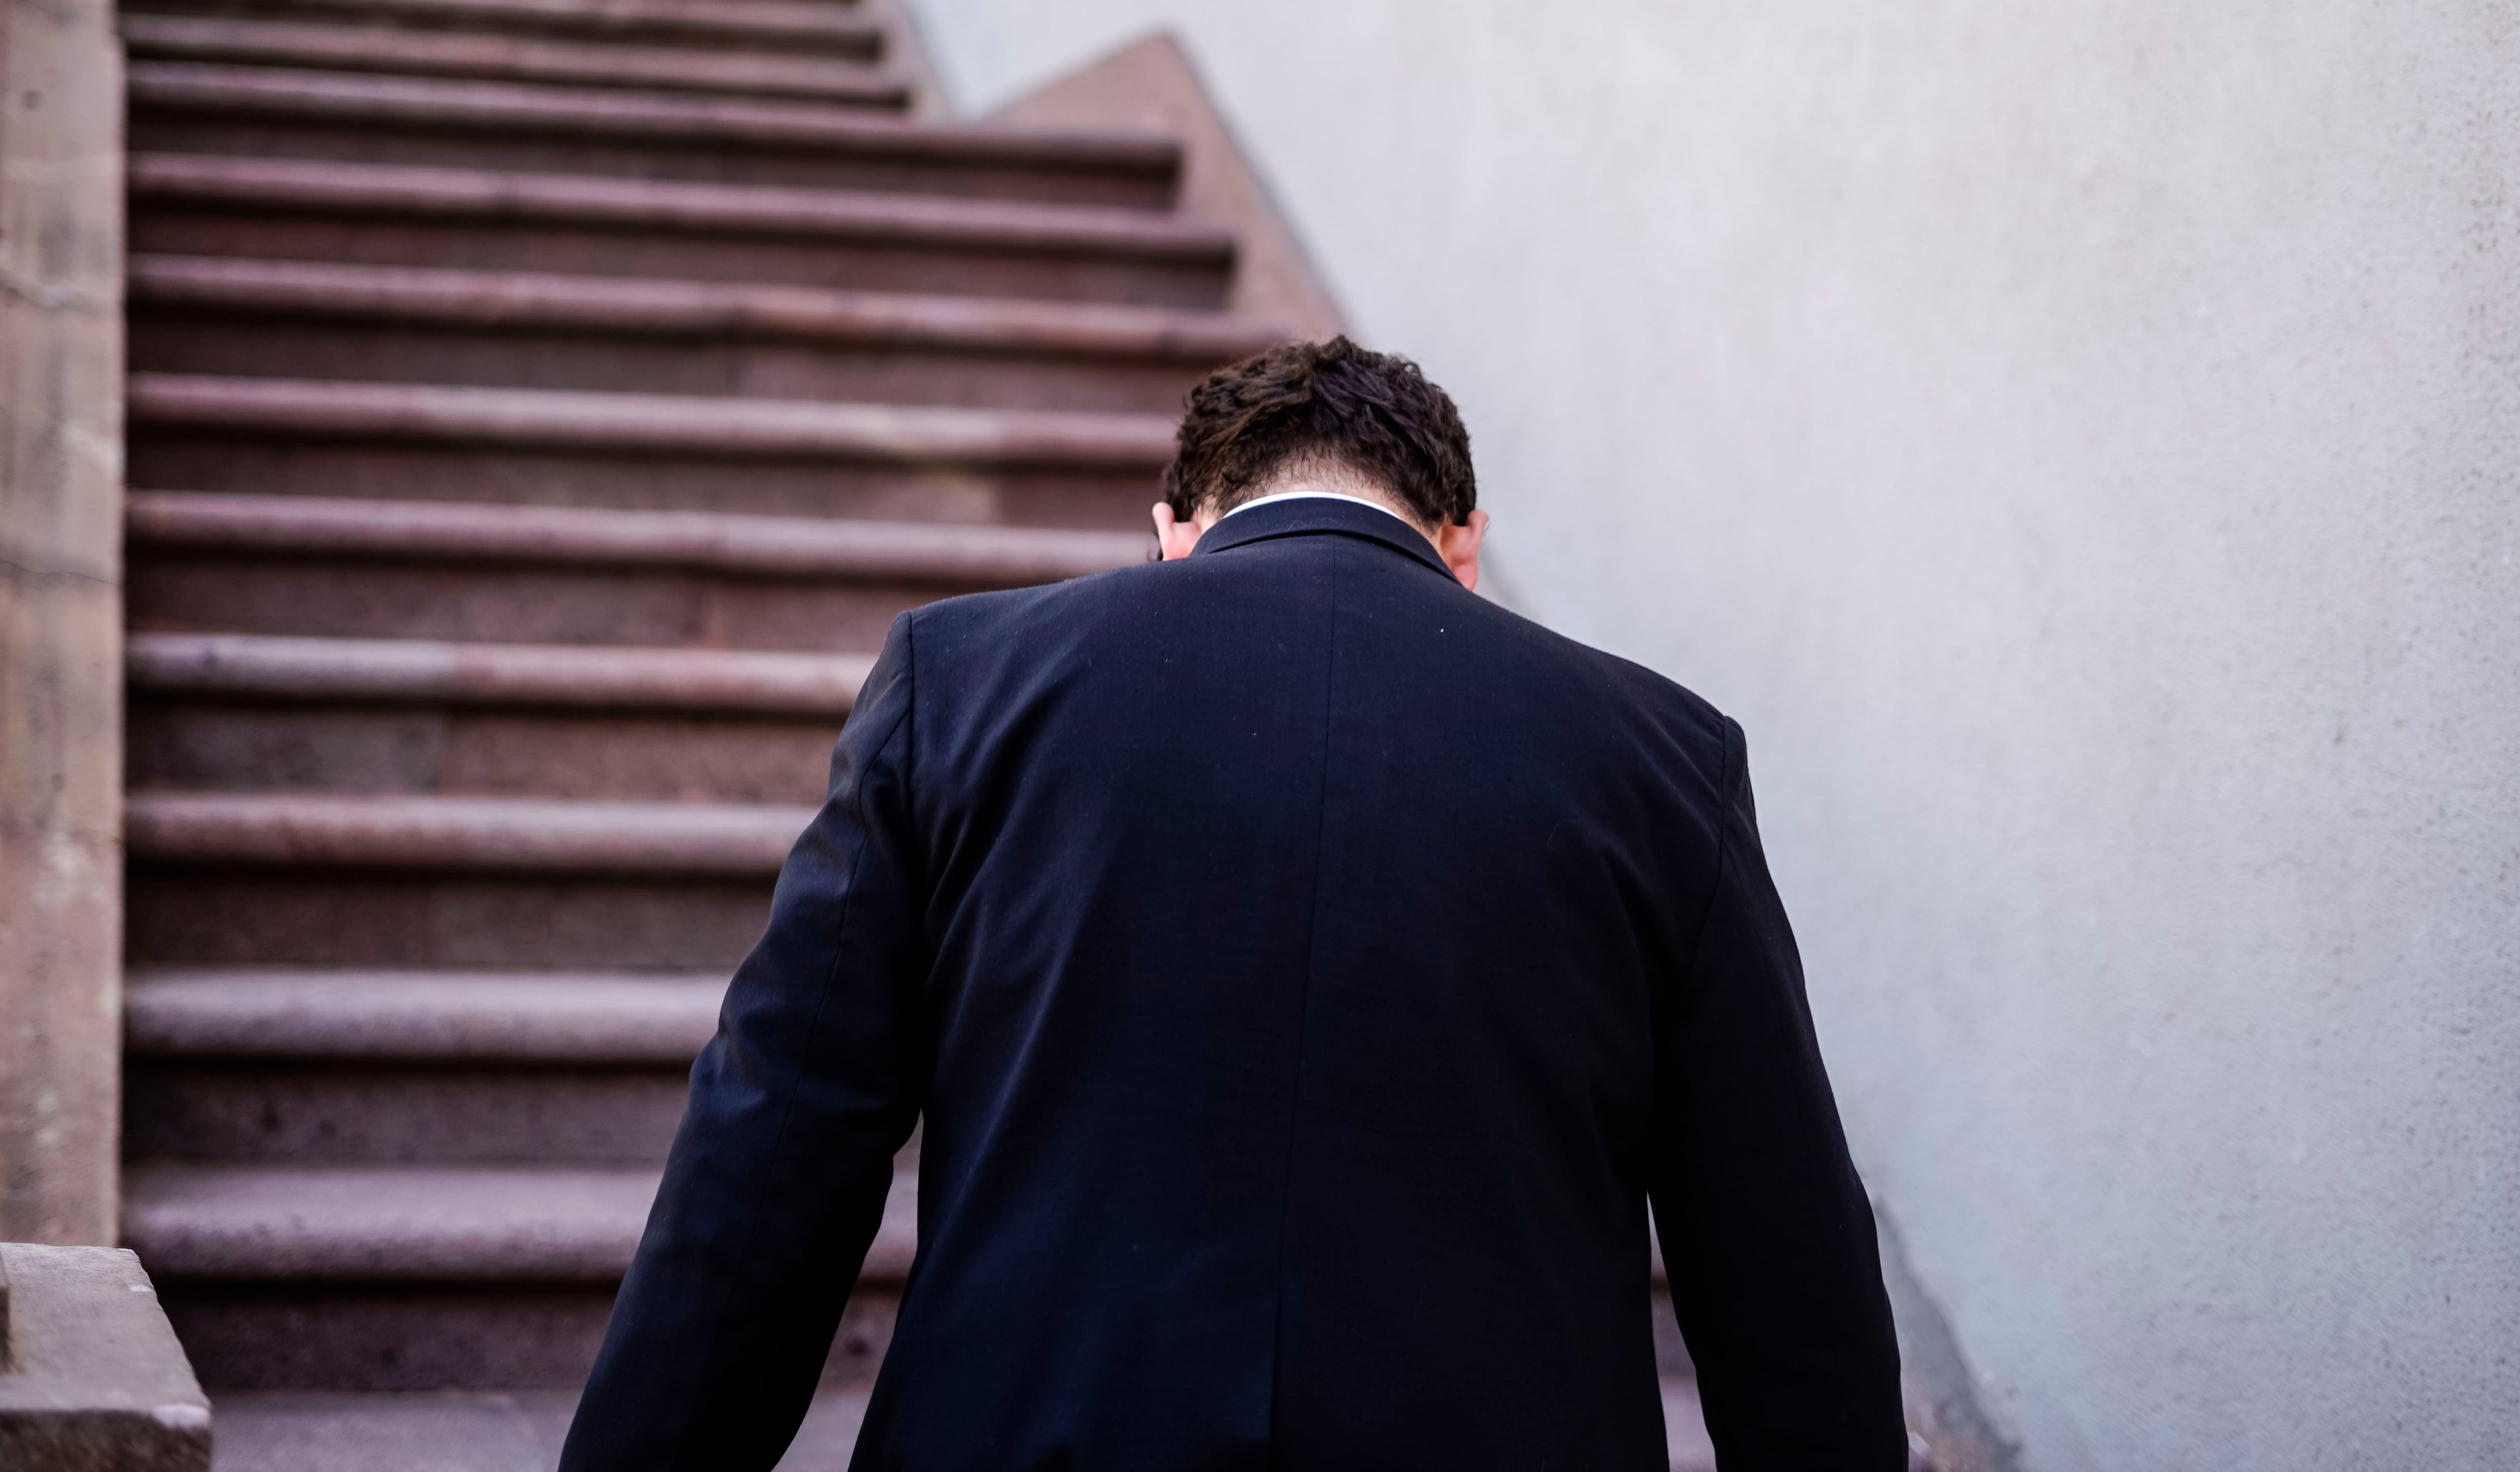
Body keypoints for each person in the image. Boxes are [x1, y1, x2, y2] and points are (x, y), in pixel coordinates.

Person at [561, 337, 1906, 1471]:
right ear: (1465, 544)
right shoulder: (1663, 754)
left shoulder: (957, 684)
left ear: (1174, 536)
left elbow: (775, 1147)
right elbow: (1783, 1259)